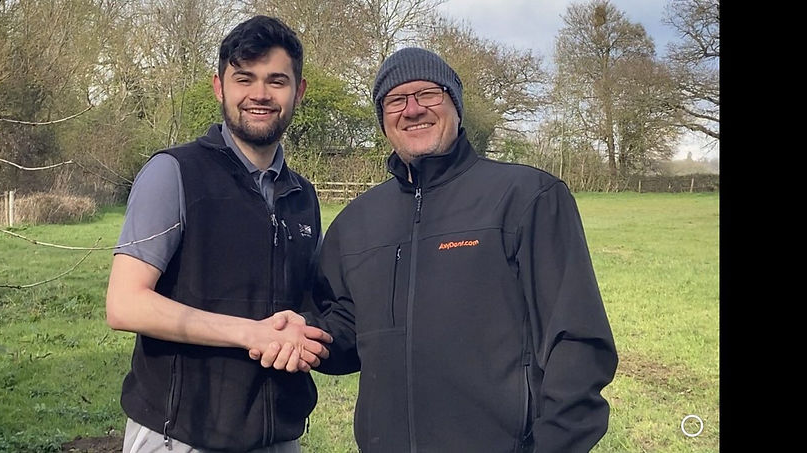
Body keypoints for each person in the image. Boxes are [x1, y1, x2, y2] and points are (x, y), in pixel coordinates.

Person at [255, 47, 619, 452]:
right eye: (396, 100)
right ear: (383, 119)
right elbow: (347, 331)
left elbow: (577, 343)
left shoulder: (527, 198)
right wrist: (305, 334)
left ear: (456, 106)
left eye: (428, 94)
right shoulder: (357, 222)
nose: (412, 110)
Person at [105, 15, 334, 453]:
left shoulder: (302, 195)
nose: (260, 94)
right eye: (244, 78)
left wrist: (304, 327)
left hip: (276, 437)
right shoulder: (174, 173)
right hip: (181, 435)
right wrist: (251, 333)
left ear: (299, 91)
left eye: (277, 81)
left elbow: (307, 303)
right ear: (219, 87)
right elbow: (124, 303)